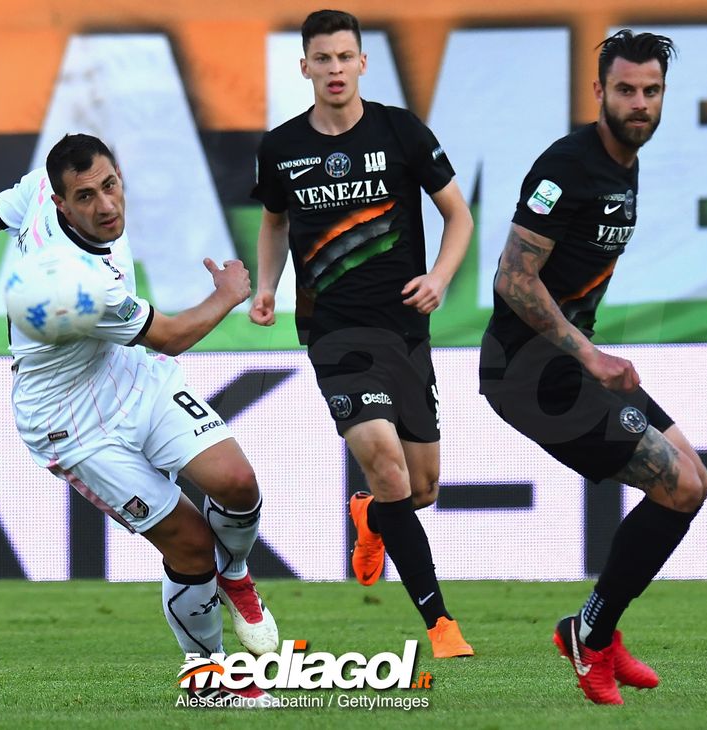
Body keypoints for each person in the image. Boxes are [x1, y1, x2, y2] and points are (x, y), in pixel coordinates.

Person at [0, 133, 278, 706]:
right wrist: (230, 292)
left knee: (237, 483)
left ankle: (234, 572)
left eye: (110, 185)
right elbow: (175, 335)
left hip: (129, 374)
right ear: (61, 204)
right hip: (71, 423)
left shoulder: (40, 188)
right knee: (189, 546)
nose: (106, 205)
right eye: (86, 197)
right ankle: (210, 679)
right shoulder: (73, 279)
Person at [479, 30, 707, 704]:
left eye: (651, 92)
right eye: (626, 90)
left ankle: (593, 632)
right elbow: (512, 278)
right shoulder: (568, 166)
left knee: (694, 481)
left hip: (570, 370)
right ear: (599, 92)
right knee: (680, 489)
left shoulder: (625, 162)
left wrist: (587, 353)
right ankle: (592, 636)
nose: (639, 104)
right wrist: (589, 353)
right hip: (529, 377)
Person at [249, 9, 475, 658]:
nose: (335, 70)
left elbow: (457, 215)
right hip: (334, 334)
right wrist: (267, 286)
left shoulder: (401, 131)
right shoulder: (282, 148)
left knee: (420, 488)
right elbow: (273, 223)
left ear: (362, 63)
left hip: (405, 332)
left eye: (345, 57)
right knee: (384, 460)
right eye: (323, 59)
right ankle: (440, 625)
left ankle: (371, 517)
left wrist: (440, 277)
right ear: (305, 68)